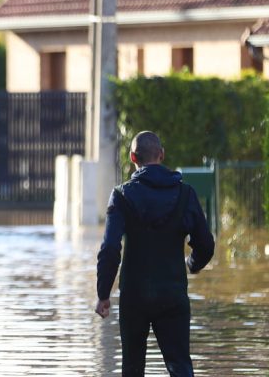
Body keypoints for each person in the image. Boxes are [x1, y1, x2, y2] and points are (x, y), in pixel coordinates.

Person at [94, 131, 215, 376]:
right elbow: (206, 244)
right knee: (180, 366)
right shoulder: (185, 194)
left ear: (132, 158)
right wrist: (192, 263)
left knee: (132, 368)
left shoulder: (121, 195)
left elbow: (110, 248)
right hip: (173, 293)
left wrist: (103, 293)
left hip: (134, 296)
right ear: (161, 155)